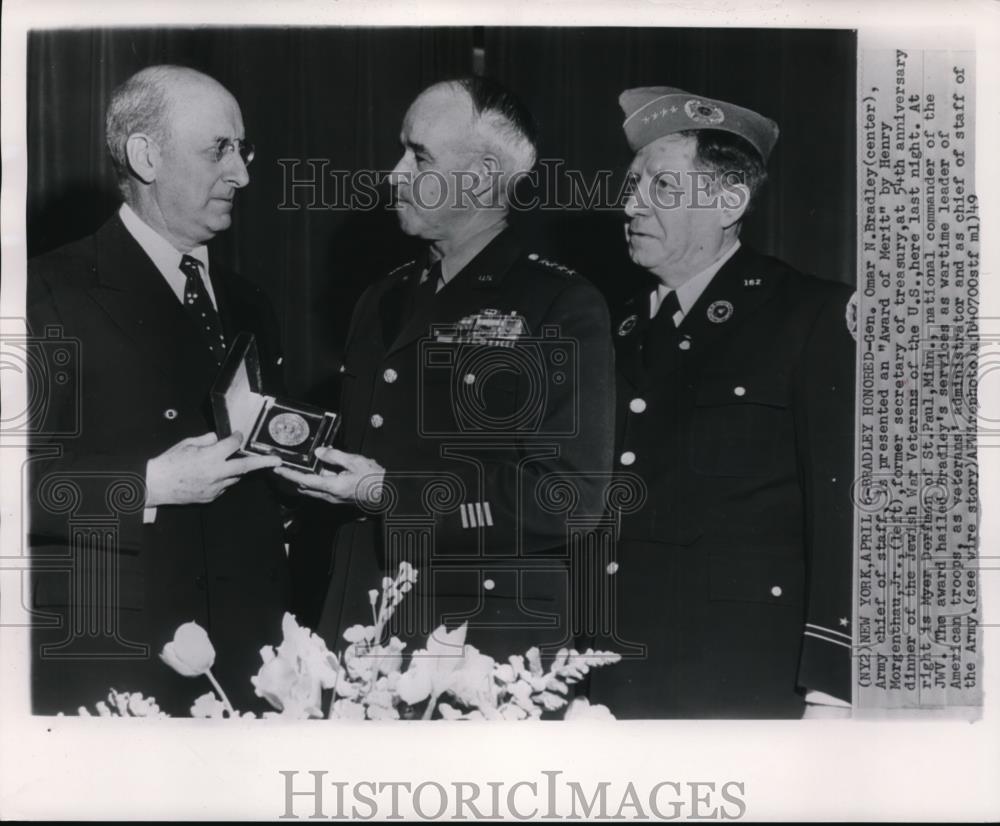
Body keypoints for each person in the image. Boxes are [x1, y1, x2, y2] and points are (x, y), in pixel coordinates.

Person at [280, 78, 615, 658]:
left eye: (420, 156)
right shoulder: (382, 298)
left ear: (483, 175)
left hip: (476, 639)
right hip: (361, 622)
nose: (394, 173)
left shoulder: (557, 303)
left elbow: (569, 498)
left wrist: (393, 494)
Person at [586, 86, 856, 718]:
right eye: (630, 186)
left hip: (746, 680)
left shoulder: (810, 315)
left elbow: (846, 512)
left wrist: (832, 687)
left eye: (660, 187)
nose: (630, 205)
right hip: (612, 674)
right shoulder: (614, 330)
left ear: (729, 201)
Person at [28, 65, 288, 715]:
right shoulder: (43, 292)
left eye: (242, 149)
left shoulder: (251, 302)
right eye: (218, 150)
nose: (243, 175)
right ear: (146, 156)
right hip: (119, 661)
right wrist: (150, 485)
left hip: (248, 657)